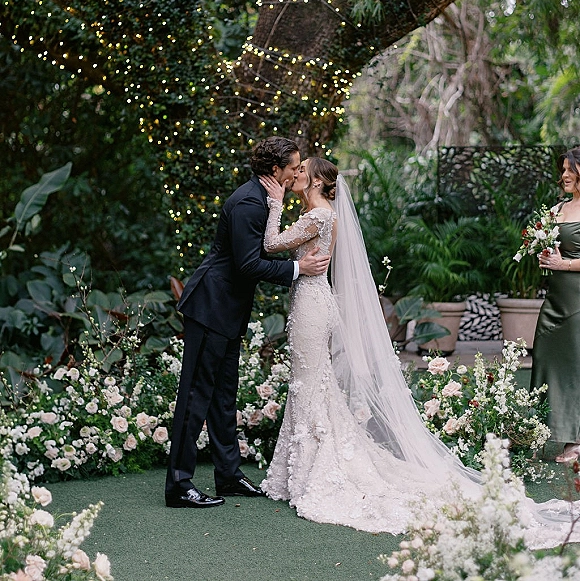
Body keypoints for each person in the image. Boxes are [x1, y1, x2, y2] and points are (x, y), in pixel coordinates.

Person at [257, 156, 580, 545]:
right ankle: (304, 463)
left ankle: (312, 466)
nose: (294, 174)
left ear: (315, 180)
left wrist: (274, 203)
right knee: (313, 382)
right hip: (315, 299)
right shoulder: (324, 214)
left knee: (308, 382)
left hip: (311, 303)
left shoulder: (318, 216)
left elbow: (271, 244)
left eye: (301, 169)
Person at [165, 137, 331, 508]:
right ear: (276, 169)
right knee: (195, 397)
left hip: (227, 311)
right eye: (292, 166)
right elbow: (247, 265)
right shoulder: (247, 203)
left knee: (223, 397)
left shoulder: (264, 200)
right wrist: (297, 268)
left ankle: (228, 475)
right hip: (210, 308)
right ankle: (178, 485)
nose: (295, 172)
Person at [531, 146, 580, 463]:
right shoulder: (557, 208)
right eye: (563, 169)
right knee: (544, 353)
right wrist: (545, 256)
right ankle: (536, 429)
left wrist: (565, 265)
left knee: (575, 364)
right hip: (555, 298)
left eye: (570, 169)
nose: (564, 175)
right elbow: (549, 249)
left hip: (578, 299)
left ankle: (574, 440)